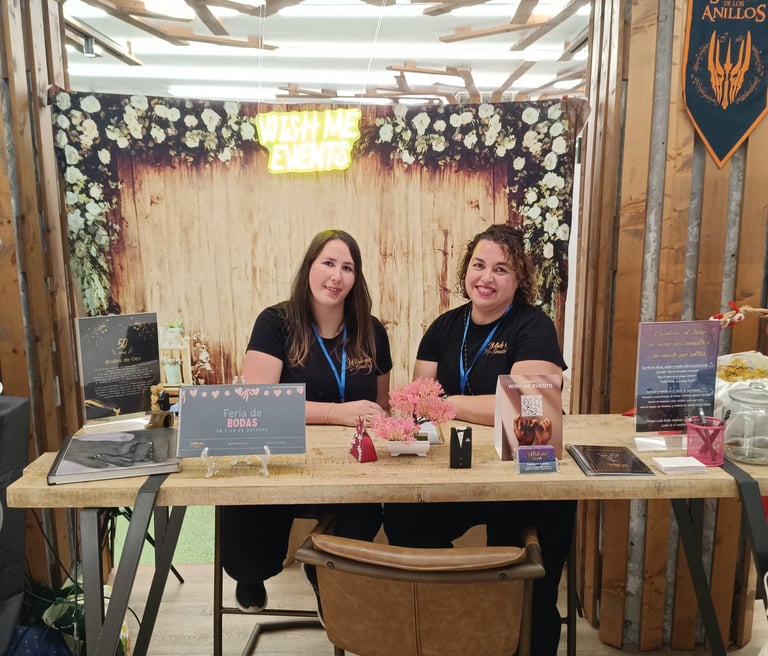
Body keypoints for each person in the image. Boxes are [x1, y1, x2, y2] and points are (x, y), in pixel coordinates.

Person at [382, 224, 574, 656]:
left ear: (519, 279)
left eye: (501, 269)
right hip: (458, 473)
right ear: (466, 271)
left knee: (530, 591)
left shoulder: (534, 326)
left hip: (525, 477)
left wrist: (448, 403)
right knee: (403, 516)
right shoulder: (443, 328)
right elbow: (418, 404)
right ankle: (453, 620)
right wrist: (462, 405)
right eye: (479, 265)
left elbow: (531, 413)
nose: (486, 277)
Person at [222, 229, 392, 613]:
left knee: (365, 515)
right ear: (309, 267)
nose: (336, 276)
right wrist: (335, 413)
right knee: (247, 520)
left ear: (356, 277)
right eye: (328, 263)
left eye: (347, 267)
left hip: (350, 466)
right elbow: (258, 403)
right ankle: (251, 575)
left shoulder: (372, 330)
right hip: (284, 460)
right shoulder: (275, 322)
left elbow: (380, 403)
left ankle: (323, 573)